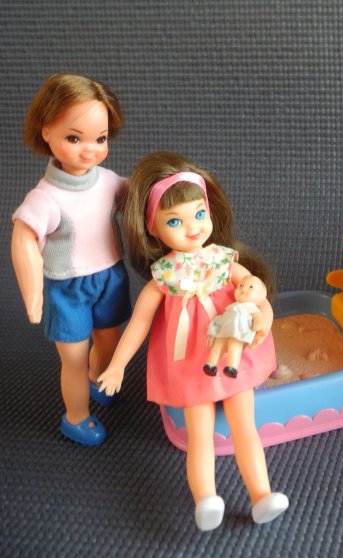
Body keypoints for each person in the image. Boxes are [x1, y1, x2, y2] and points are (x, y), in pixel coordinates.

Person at [98, 152, 288, 531]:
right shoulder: (163, 276)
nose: (192, 228)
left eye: (199, 214)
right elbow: (139, 322)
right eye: (175, 221)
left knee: (244, 427)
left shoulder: (223, 260)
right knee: (199, 434)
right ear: (153, 229)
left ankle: (261, 495)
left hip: (232, 352)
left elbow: (256, 293)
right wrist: (116, 365)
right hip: (189, 361)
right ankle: (205, 500)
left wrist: (264, 318)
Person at [11, 73, 130, 446]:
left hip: (110, 277)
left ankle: (100, 379)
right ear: (47, 132)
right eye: (74, 138)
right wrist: (33, 292)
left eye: (101, 138)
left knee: (109, 342)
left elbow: (140, 195)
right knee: (74, 360)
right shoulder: (45, 198)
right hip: (67, 288)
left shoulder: (108, 181)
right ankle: (76, 417)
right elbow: (24, 238)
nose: (90, 150)